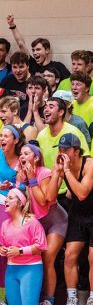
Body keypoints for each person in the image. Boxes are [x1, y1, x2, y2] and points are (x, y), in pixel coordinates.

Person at [52, 133, 93, 305]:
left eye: (66, 149)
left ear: (76, 151)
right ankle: (72, 297)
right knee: (69, 255)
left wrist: (67, 171)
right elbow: (52, 195)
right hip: (78, 214)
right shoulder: (64, 167)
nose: (62, 153)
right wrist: (57, 172)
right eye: (60, 149)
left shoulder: (91, 164)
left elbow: (82, 193)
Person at [17, 144, 68, 305]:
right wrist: (20, 181)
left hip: (55, 221)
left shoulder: (44, 173)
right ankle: (32, 296)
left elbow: (43, 201)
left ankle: (50, 299)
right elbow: (20, 202)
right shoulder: (22, 174)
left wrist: (32, 179)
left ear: (36, 158)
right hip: (37, 223)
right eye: (21, 154)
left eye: (26, 153)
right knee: (32, 258)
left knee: (47, 258)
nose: (22, 156)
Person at [37, 97, 90, 208]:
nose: (46, 109)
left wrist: (72, 187)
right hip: (50, 189)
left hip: (69, 191)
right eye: (46, 106)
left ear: (61, 112)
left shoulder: (73, 132)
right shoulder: (41, 135)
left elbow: (85, 160)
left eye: (51, 107)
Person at [0, 188, 47, 305]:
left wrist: (19, 251)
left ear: (20, 203)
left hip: (31, 269)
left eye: (10, 198)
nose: (6, 200)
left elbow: (41, 246)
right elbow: (2, 245)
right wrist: (2, 250)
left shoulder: (32, 222)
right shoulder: (5, 225)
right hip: (11, 270)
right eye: (7, 197)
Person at [0, 125, 25, 299]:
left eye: (6, 136)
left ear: (15, 140)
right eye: (0, 136)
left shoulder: (22, 159)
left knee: (7, 247)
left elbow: (25, 186)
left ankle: (9, 295)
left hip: (13, 204)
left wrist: (14, 187)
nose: (1, 139)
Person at [7, 14, 70, 79]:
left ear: (47, 50)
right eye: (33, 50)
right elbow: (21, 44)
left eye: (38, 49)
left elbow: (69, 82)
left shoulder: (58, 66)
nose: (34, 53)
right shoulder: (32, 64)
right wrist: (12, 26)